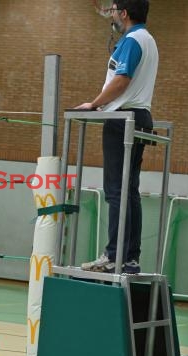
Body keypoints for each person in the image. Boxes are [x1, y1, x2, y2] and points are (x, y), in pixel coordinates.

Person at [76, 0, 158, 274]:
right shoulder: (147, 39)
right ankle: (129, 258)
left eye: (113, 10)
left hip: (124, 119)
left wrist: (94, 103)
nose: (111, 14)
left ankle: (113, 256)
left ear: (124, 13)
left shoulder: (133, 40)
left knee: (115, 191)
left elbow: (121, 80)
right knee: (128, 192)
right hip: (140, 118)